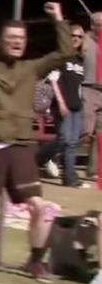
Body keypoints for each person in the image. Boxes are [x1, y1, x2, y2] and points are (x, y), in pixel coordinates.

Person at [0, 0, 75, 281]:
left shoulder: (32, 68)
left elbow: (65, 51)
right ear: (0, 41)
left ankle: (35, 262)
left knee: (37, 206)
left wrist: (58, 18)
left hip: (21, 145)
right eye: (11, 38)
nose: (17, 43)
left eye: (21, 38)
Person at [36, 24, 86, 188]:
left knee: (71, 143)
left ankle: (69, 178)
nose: (76, 39)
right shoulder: (62, 58)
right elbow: (53, 80)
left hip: (76, 106)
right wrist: (61, 103)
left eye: (79, 36)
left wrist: (81, 102)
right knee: (64, 140)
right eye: (73, 35)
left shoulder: (81, 60)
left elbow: (79, 84)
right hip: (61, 106)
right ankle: (39, 159)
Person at [81, 12, 102, 179]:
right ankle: (47, 156)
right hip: (88, 88)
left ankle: (93, 170)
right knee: (85, 132)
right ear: (93, 26)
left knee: (100, 133)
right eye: (100, 24)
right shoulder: (85, 41)